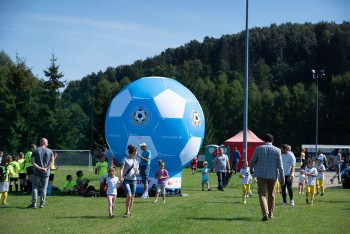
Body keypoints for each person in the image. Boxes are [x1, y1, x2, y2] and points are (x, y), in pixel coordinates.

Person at [249, 133, 285, 221]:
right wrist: (282, 178)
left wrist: (251, 169)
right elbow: (280, 166)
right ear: (272, 141)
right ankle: (271, 215)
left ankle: (265, 213)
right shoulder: (277, 150)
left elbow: (252, 160)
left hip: (261, 175)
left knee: (262, 195)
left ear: (264, 140)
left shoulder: (258, 148)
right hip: (273, 176)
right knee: (272, 195)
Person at [27, 138, 54, 209]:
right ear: (45, 143)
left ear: (40, 143)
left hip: (37, 172)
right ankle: (42, 204)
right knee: (44, 188)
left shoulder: (35, 150)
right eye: (47, 142)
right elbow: (52, 162)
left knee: (35, 188)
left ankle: (34, 204)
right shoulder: (50, 151)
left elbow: (33, 162)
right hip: (46, 172)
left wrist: (39, 168)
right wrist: (46, 168)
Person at [120, 145, 139, 218]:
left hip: (134, 180)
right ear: (133, 152)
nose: (137, 153)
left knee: (132, 196)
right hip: (126, 180)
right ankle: (127, 211)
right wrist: (121, 176)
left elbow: (137, 169)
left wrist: (137, 172)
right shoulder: (124, 159)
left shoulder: (136, 161)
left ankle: (129, 211)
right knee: (129, 195)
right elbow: (122, 169)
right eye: (136, 151)